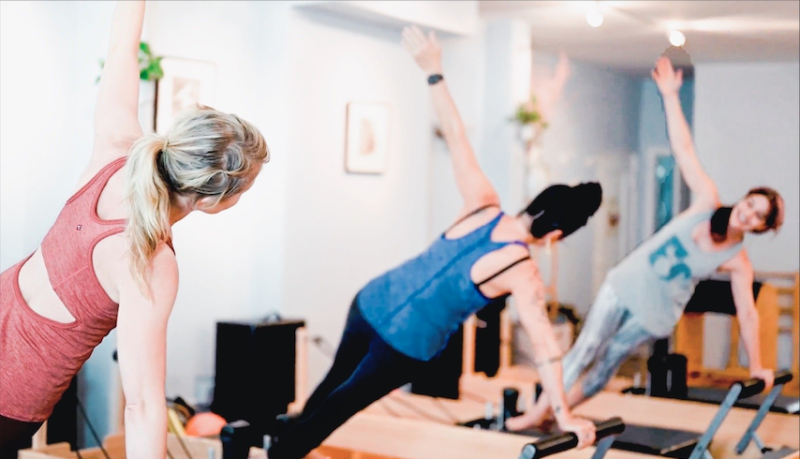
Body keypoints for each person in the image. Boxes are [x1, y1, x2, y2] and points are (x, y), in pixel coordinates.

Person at [266, 25, 601, 459]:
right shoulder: (523, 269)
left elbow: (456, 135)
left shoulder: (483, 203)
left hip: (373, 300)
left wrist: (434, 71)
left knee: (330, 391)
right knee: (338, 407)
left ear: (534, 204)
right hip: (405, 340)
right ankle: (281, 454)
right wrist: (564, 412)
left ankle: (278, 446)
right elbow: (546, 348)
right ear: (555, 235)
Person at [0, 2, 269, 457]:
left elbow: (122, 49)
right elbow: (142, 405)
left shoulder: (115, 149)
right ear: (209, 200)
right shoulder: (150, 259)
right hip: (14, 392)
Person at [506, 56, 783, 432]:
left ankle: (558, 411)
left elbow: (748, 315)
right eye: (750, 205)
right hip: (624, 284)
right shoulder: (707, 201)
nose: (747, 215)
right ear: (744, 199)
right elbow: (684, 149)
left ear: (760, 228)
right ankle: (537, 415)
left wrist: (756, 366)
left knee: (605, 368)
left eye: (757, 217)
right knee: (586, 348)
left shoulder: (737, 260)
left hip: (655, 313)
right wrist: (669, 95)